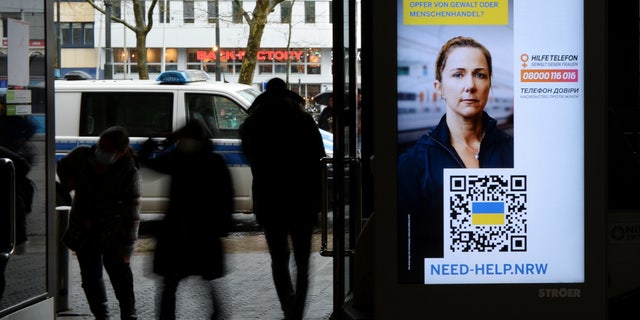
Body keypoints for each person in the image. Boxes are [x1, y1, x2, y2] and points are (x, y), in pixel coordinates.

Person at [397, 36, 514, 283]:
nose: (470, 85)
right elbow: (408, 247)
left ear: (489, 83)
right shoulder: (414, 163)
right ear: (439, 87)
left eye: (480, 75)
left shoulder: (514, 150)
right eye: (458, 74)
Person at [239, 77, 326, 320]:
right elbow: (318, 158)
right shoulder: (303, 120)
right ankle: (298, 308)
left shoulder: (253, 124)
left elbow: (249, 155)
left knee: (278, 258)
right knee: (302, 260)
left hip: (270, 200)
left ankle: (287, 304)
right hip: (302, 199)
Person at [137, 120, 234, 320]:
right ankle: (217, 315)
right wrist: (222, 227)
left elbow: (147, 163)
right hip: (201, 233)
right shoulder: (213, 160)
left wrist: (160, 143)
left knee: (171, 283)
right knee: (203, 279)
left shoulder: (178, 159)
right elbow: (227, 197)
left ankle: (169, 317)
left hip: (177, 234)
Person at [57, 126, 141, 320]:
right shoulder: (82, 155)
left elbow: (132, 214)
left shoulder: (129, 171)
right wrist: (71, 183)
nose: (100, 152)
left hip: (113, 233)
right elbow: (62, 166)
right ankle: (101, 315)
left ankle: (129, 314)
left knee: (120, 278)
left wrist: (126, 249)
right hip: (84, 232)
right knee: (90, 279)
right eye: (100, 146)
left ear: (119, 153)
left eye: (108, 150)